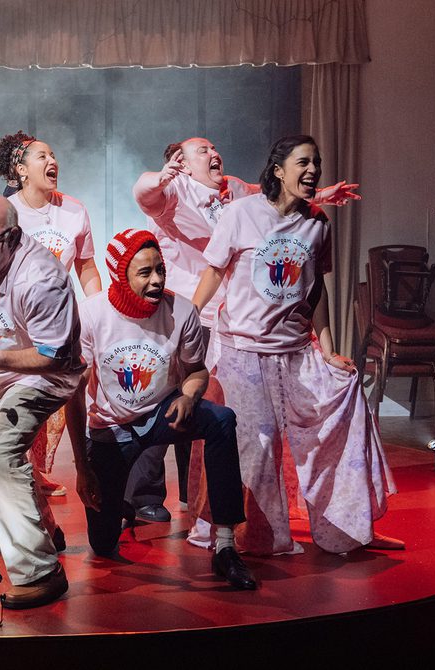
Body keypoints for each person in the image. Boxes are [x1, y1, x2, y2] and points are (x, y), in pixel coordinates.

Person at [129, 139, 360, 526]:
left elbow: (274, 191)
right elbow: (144, 191)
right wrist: (160, 177)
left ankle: (197, 496)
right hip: (185, 310)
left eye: (215, 146)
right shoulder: (173, 190)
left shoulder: (234, 190)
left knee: (212, 408)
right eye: (202, 149)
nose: (213, 151)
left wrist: (324, 193)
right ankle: (145, 494)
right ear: (182, 163)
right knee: (166, 398)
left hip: (226, 314)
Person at [192, 135, 398, 555]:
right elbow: (214, 271)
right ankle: (251, 537)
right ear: (278, 170)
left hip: (296, 351)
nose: (313, 171)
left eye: (317, 164)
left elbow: (314, 290)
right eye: (303, 162)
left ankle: (344, 527)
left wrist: (327, 349)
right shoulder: (241, 213)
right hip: (244, 352)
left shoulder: (318, 222)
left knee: (340, 410)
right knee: (259, 443)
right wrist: (188, 319)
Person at [64, 228, 256, 590]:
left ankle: (226, 546)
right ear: (121, 276)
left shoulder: (181, 310)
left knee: (221, 421)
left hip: (162, 414)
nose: (156, 280)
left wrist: (188, 396)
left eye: (160, 270)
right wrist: (81, 467)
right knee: (102, 546)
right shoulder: (91, 315)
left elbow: (197, 370)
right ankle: (118, 505)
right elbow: (73, 394)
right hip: (111, 427)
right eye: (144, 273)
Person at [0, 194, 84, 609]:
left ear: (12, 237)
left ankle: (40, 572)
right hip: (3, 369)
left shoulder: (40, 277)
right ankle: (45, 530)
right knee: (9, 458)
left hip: (48, 374)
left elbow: (54, 356)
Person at [0, 131, 102, 498]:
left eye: (54, 154)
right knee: (16, 409)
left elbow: (86, 266)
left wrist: (98, 312)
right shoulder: (8, 214)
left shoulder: (74, 210)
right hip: (15, 327)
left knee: (60, 402)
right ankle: (24, 487)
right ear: (21, 170)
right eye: (42, 156)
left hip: (58, 325)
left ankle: (34, 480)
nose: (52, 160)